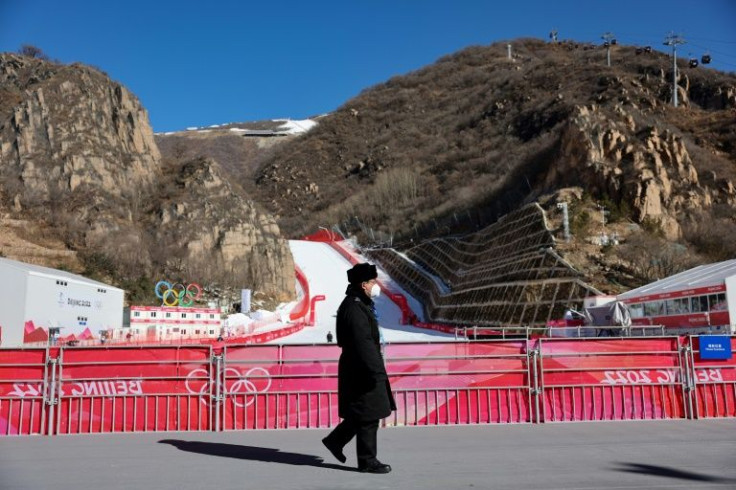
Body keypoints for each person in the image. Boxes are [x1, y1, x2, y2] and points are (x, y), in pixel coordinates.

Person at [322, 263, 396, 474]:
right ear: (364, 284)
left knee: (363, 411)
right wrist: (376, 370)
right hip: (361, 368)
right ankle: (367, 460)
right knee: (369, 413)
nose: (376, 285)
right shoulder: (354, 308)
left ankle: (335, 440)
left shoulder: (359, 303)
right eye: (373, 281)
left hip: (359, 366)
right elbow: (362, 342)